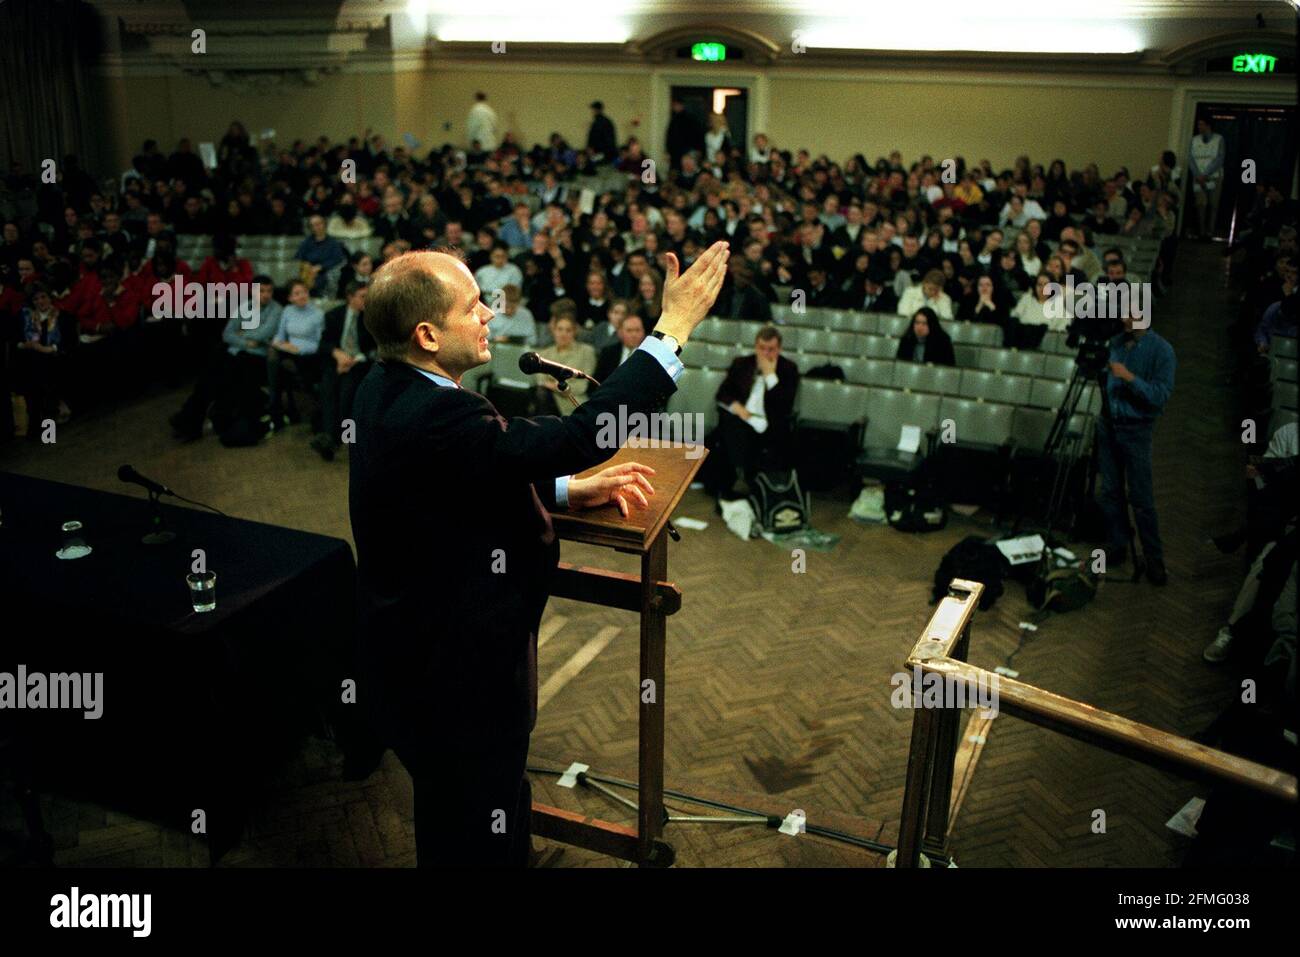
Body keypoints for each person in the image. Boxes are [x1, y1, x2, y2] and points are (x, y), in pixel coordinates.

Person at [348, 241, 729, 868]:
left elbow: (453, 481)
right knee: (473, 820)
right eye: (472, 307)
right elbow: (582, 434)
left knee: (465, 809)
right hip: (460, 671)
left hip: (409, 660)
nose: (489, 315)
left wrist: (563, 489)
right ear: (427, 334)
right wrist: (675, 328)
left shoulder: (381, 386)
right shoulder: (442, 412)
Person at [1096, 308, 1177, 585]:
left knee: (1141, 499)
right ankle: (1118, 545)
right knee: (1110, 491)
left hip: (1137, 430)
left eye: (1130, 315)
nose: (1124, 320)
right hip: (1109, 425)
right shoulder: (1116, 343)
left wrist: (1129, 378)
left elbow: (1160, 395)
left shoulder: (1162, 351)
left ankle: (1154, 560)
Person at [704, 325, 800, 498]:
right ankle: (736, 477)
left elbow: (785, 405)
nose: (765, 354)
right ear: (756, 347)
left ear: (779, 349)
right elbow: (723, 393)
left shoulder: (788, 369)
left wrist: (770, 375)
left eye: (771, 349)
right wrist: (737, 407)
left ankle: (744, 476)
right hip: (743, 417)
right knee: (730, 427)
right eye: (761, 348)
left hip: (770, 422)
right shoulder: (742, 363)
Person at [311, 282, 374, 461]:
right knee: (327, 390)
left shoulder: (370, 317)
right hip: (337, 363)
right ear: (350, 297)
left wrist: (354, 359)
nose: (366, 300)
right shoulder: (334, 315)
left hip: (360, 364)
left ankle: (338, 439)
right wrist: (337, 354)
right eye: (362, 296)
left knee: (347, 393)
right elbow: (323, 344)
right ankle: (331, 437)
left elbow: (375, 348)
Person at [267, 280, 325, 430]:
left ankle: (276, 409)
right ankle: (278, 406)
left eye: (304, 292)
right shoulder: (287, 311)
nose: (301, 296)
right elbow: (279, 336)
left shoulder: (317, 314)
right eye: (297, 294)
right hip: (289, 352)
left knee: (284, 364)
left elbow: (320, 344)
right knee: (274, 357)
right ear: (290, 298)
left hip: (309, 354)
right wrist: (281, 344)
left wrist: (298, 349)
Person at [534, 313, 596, 416]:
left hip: (573, 400)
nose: (563, 334)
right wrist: (559, 385)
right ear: (554, 331)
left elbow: (582, 386)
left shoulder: (586, 351)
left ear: (575, 332)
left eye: (568, 330)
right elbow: (540, 381)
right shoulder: (544, 353)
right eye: (560, 329)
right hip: (547, 399)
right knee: (540, 393)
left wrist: (553, 385)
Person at [1187, 118, 1225, 240]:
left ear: (1208, 126)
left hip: (1214, 177)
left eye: (1201, 124)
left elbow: (1219, 158)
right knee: (1200, 204)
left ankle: (1210, 231)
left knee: (1213, 204)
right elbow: (1191, 158)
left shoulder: (1219, 139)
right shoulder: (1194, 140)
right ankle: (1201, 232)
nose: (1199, 127)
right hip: (1198, 177)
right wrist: (1198, 174)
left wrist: (1206, 174)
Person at [593, 311, 646, 386]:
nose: (634, 335)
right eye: (629, 330)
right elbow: (597, 382)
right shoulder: (608, 353)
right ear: (620, 333)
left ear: (643, 332)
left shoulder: (650, 353)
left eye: (637, 330)